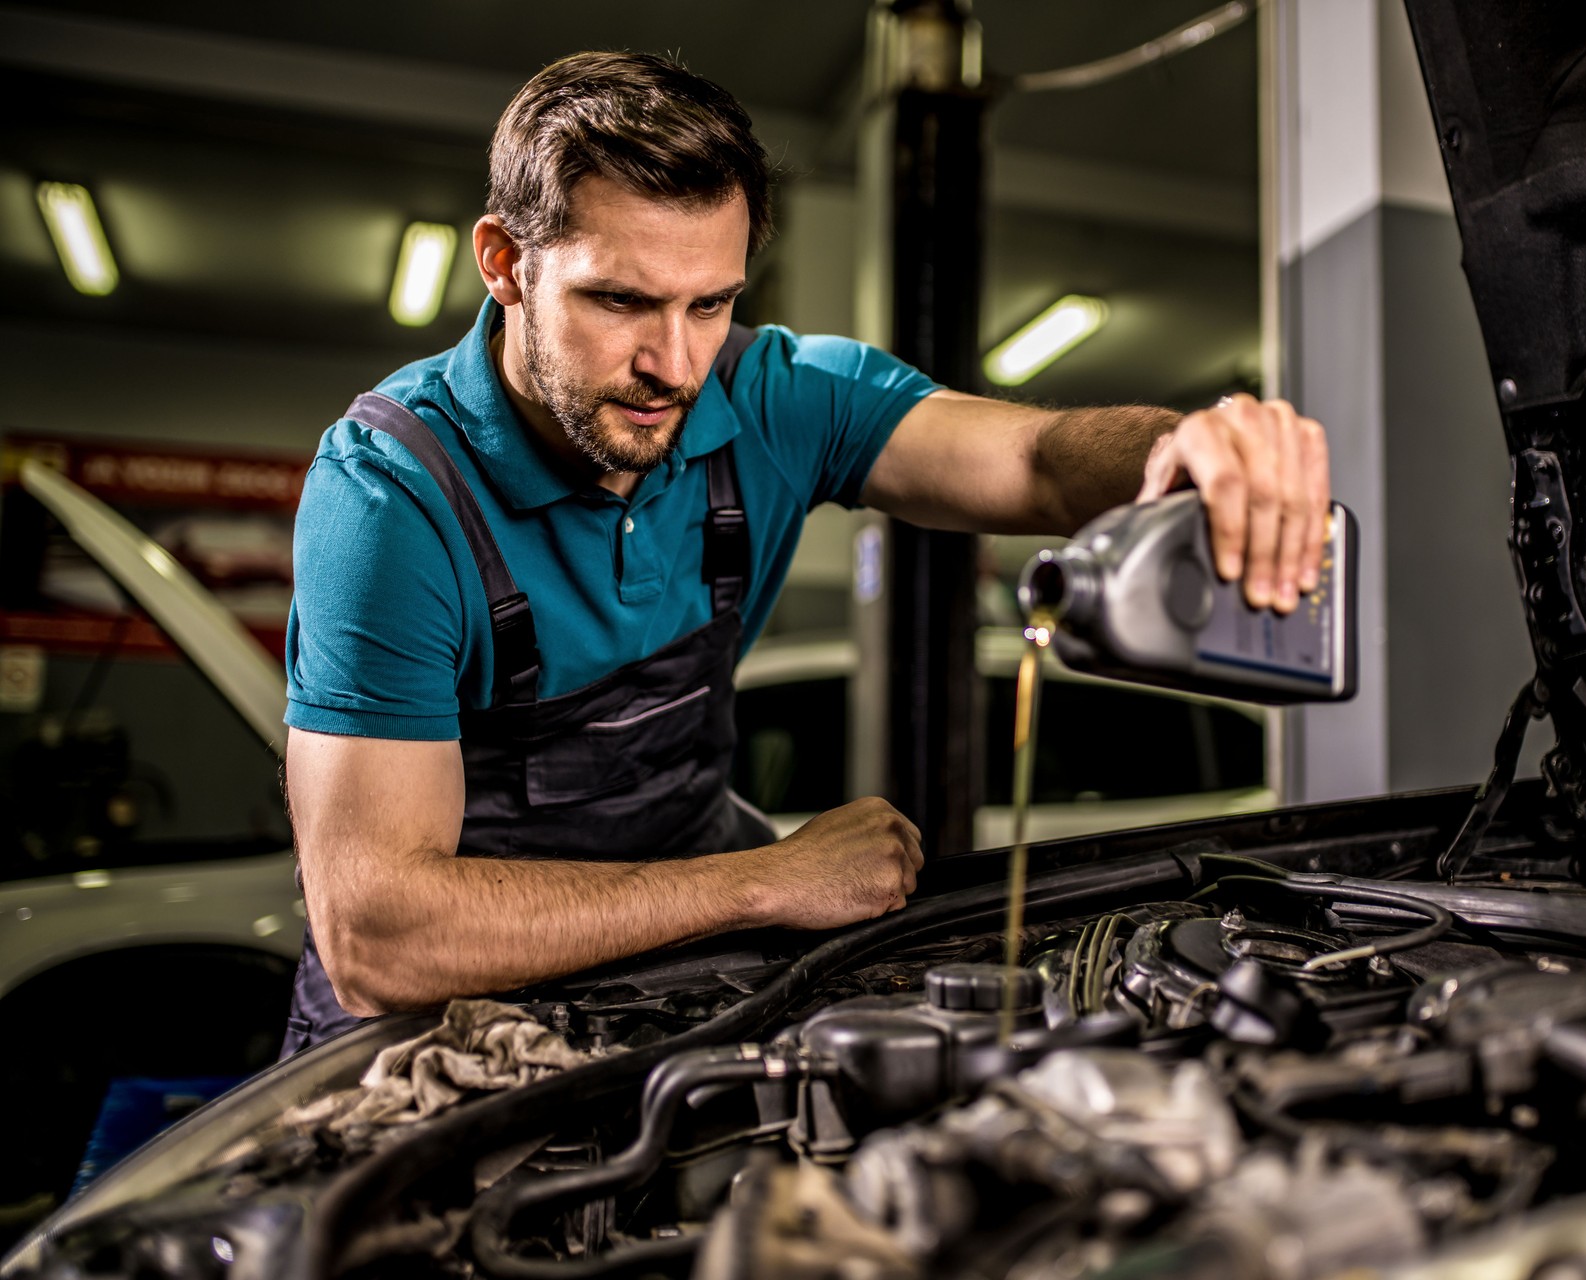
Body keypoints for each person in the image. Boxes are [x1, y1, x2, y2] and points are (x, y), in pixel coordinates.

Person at [279, 50, 1330, 1054]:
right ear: (506, 264)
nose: (671, 365)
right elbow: (379, 933)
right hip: (425, 1021)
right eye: (620, 300)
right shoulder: (392, 495)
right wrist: (761, 880)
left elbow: (1045, 463)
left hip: (668, 978)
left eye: (712, 302)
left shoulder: (774, 394)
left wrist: (1187, 443)